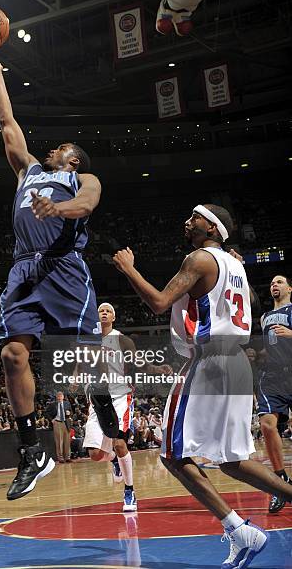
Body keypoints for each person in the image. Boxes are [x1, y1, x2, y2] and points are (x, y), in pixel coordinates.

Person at [113, 204, 292, 568]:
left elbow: (160, 303)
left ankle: (240, 531)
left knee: (172, 455)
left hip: (210, 361)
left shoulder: (199, 259)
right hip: (238, 362)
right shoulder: (234, 263)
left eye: (193, 217)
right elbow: (250, 304)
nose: (186, 222)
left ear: (211, 227)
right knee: (231, 461)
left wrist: (129, 270)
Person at [0, 44, 114, 501]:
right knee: (12, 357)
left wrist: (58, 207)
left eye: (62, 148)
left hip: (64, 270)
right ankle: (30, 450)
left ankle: (107, 416)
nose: (53, 148)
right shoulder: (29, 171)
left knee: (81, 359)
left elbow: (87, 205)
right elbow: (7, 125)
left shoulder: (82, 179)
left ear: (73, 160)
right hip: (24, 271)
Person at [82, 303, 171, 512]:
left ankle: (129, 490)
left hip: (121, 395)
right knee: (95, 454)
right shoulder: (88, 341)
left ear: (113, 316)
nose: (103, 313)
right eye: (100, 311)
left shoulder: (122, 340)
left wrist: (157, 368)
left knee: (120, 443)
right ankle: (113, 460)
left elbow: (139, 363)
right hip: (98, 397)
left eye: (108, 311)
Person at [258, 275, 292, 513]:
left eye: (279, 281)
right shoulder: (263, 318)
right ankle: (281, 482)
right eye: (271, 283)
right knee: (267, 425)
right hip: (272, 376)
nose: (274, 285)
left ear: (289, 288)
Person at [46, 392, 72, 463]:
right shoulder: (52, 404)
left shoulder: (67, 403)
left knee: (67, 441)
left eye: (61, 396)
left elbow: (70, 411)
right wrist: (52, 420)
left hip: (66, 422)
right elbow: (47, 412)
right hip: (57, 422)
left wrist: (69, 414)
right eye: (58, 396)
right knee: (59, 441)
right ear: (56, 397)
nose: (60, 397)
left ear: (63, 397)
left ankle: (67, 457)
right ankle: (60, 458)